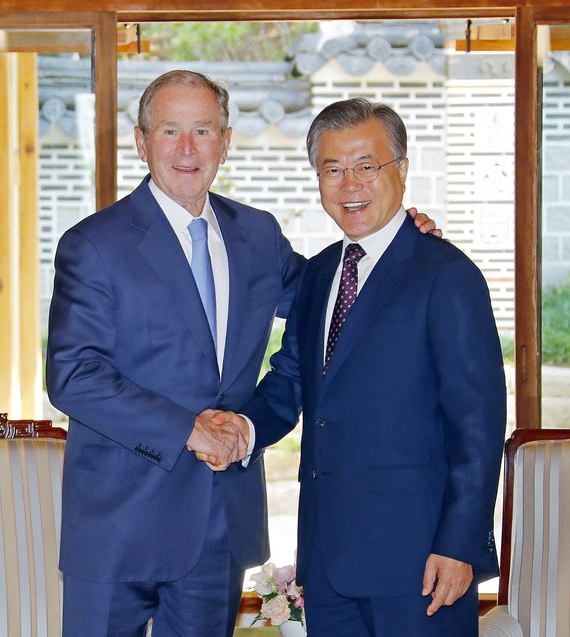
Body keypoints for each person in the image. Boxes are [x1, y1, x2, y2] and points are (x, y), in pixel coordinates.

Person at [46, 71, 439, 636]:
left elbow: (327, 299)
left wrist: (396, 244)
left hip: (219, 520)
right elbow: (72, 375)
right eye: (170, 131)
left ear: (225, 142)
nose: (187, 149)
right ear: (141, 141)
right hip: (118, 523)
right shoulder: (93, 244)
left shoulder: (256, 234)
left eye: (203, 130)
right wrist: (189, 429)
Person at [217, 98, 507, 636]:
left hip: (420, 562)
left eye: (366, 166)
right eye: (332, 168)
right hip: (328, 561)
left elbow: (478, 425)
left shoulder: (447, 275)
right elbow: (290, 381)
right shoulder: (321, 273)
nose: (350, 183)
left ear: (401, 169)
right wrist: (243, 426)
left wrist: (458, 543)